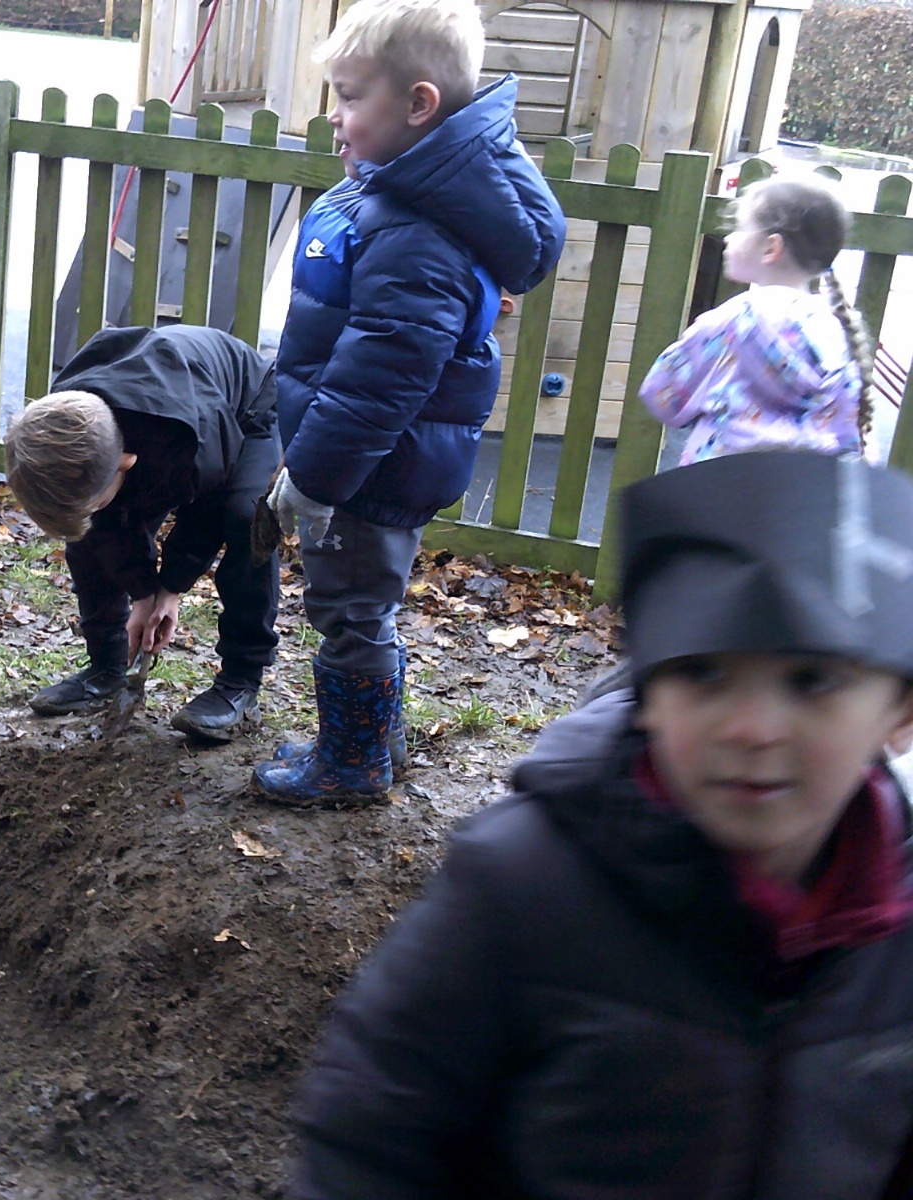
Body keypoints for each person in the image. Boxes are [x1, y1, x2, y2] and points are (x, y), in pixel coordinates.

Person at [290, 449, 913, 1198]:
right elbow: (370, 1132)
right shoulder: (519, 887)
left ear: (901, 711)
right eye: (703, 672)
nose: (752, 729)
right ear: (646, 694)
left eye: (812, 680)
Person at [254, 0, 566, 802]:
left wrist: (316, 478)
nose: (335, 114)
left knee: (351, 609)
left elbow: (381, 376)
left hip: (366, 467)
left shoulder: (415, 230)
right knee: (363, 603)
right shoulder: (402, 198)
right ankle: (376, 742)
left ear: (420, 105)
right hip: (370, 456)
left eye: (352, 96)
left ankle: (352, 764)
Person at [5, 324, 279, 742]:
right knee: (89, 532)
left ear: (126, 463)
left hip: (245, 406)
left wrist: (170, 589)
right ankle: (108, 667)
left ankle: (241, 683)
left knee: (247, 517)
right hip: (150, 420)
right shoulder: (63, 424)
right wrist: (142, 592)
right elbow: (109, 530)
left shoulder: (186, 440)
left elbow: (205, 516)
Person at [640, 175, 875, 465]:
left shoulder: (737, 319)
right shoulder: (834, 327)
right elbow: (844, 428)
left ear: (771, 248)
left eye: (740, 228)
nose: (728, 238)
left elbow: (663, 394)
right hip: (803, 484)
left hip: (721, 482)